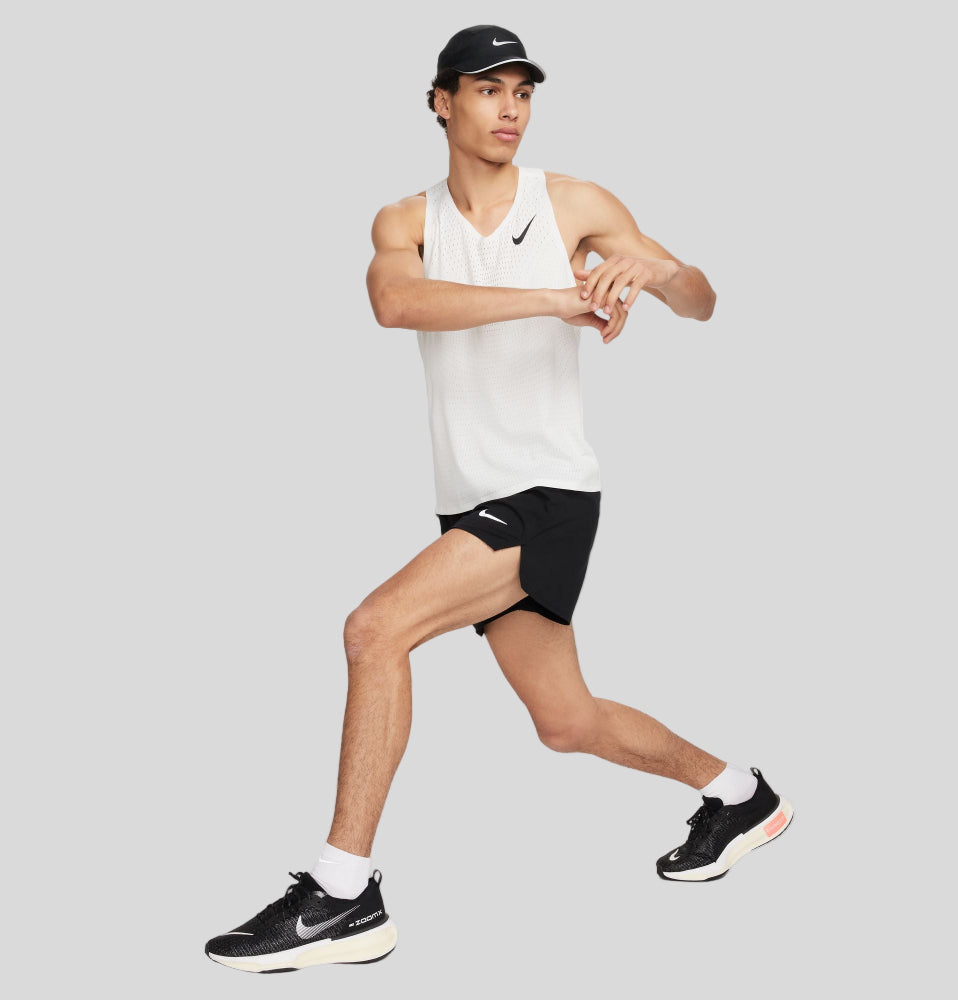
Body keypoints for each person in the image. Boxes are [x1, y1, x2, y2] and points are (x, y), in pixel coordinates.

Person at [205, 24, 793, 974]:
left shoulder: (574, 203)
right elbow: (397, 305)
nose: (510, 108)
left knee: (374, 630)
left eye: (522, 91)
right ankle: (739, 795)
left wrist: (659, 271)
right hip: (470, 502)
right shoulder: (406, 220)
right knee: (568, 722)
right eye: (487, 89)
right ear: (441, 102)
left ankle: (343, 893)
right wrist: (556, 299)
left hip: (547, 491)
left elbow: (702, 301)